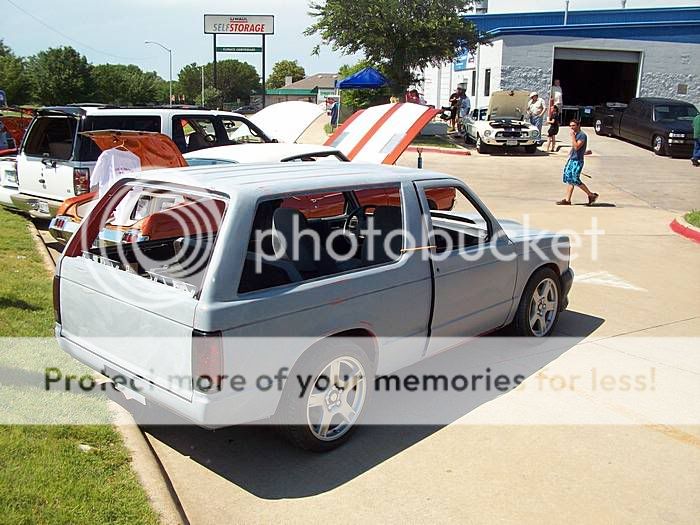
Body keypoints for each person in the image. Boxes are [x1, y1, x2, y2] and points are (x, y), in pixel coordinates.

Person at [557, 119, 599, 206]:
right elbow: (574, 148)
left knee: (575, 179)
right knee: (569, 179)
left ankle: (591, 195)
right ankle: (567, 200)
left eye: (573, 125)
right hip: (572, 159)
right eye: (570, 126)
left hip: (577, 161)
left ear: (578, 125)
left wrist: (572, 137)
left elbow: (576, 147)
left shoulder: (582, 135)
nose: (571, 128)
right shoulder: (576, 135)